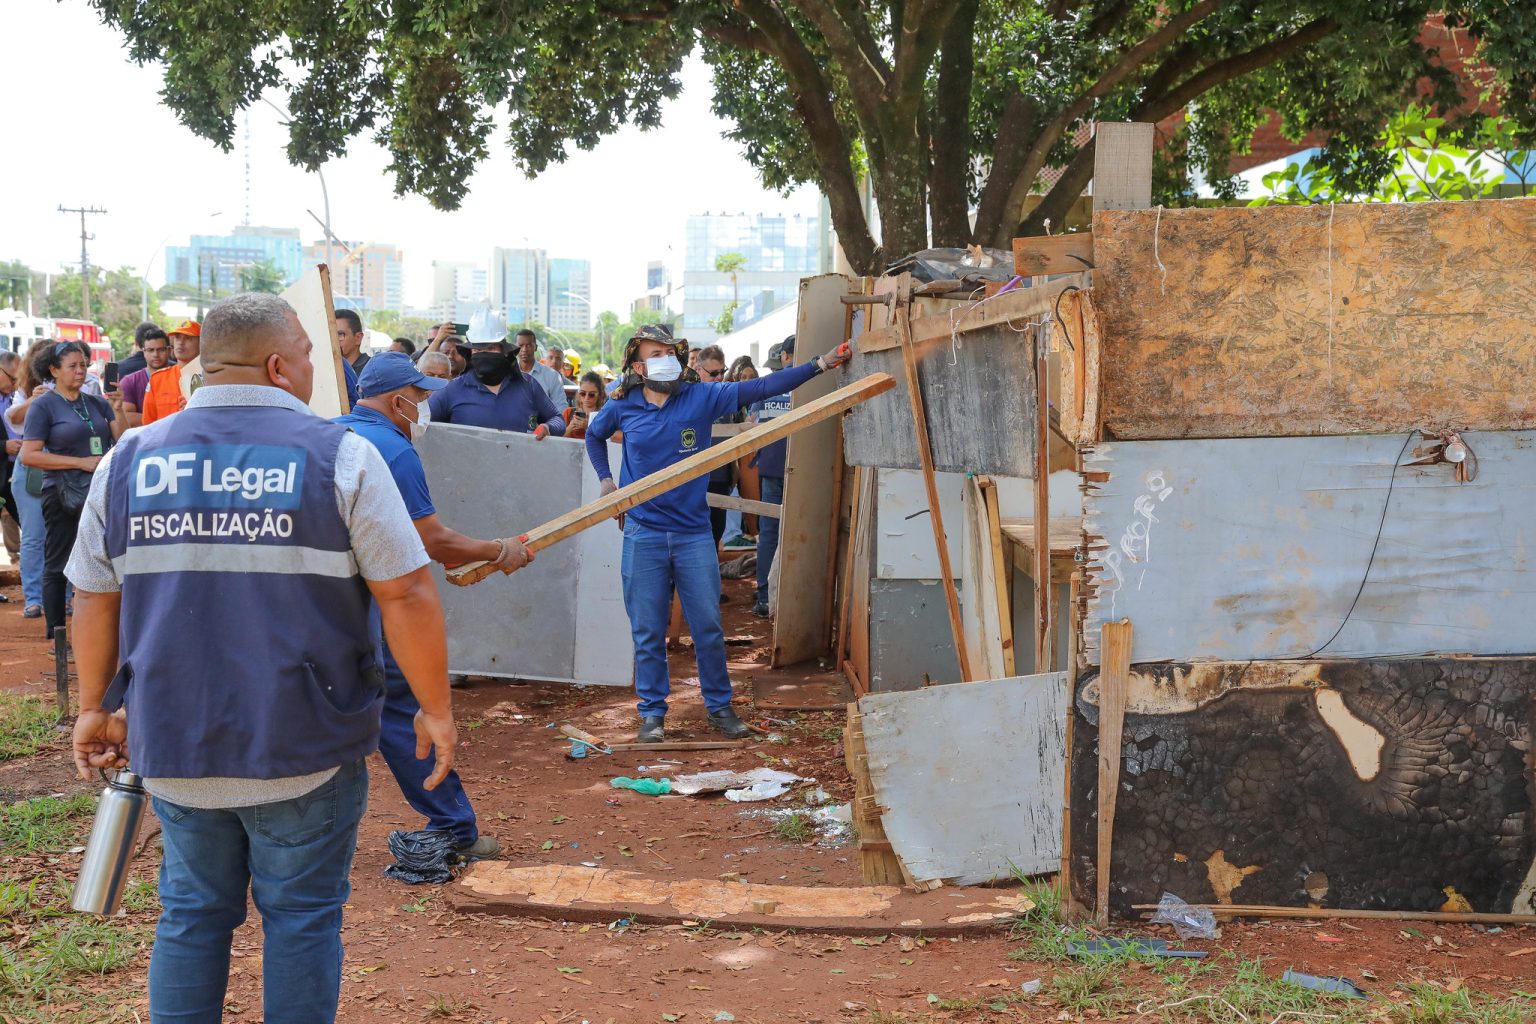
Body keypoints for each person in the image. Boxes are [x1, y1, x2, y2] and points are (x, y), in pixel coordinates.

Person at [66, 292, 455, 1024]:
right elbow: (406, 594)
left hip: (174, 742)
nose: (318, 365)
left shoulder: (130, 460)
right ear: (280, 365)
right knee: (303, 919)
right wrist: (436, 710)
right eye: (310, 352)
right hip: (303, 742)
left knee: (190, 916)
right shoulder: (341, 455)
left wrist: (95, 705)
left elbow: (93, 595)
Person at [584, 324, 851, 743]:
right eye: (656, 353)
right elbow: (593, 435)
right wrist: (605, 480)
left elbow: (762, 388)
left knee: (707, 626)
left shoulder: (701, 397)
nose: (666, 359)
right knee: (648, 631)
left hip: (692, 535)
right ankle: (652, 715)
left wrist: (820, 364)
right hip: (644, 534)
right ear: (638, 364)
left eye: (670, 352)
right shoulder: (623, 406)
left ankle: (719, 708)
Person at [335, 352, 531, 857]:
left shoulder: (333, 433)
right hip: (371, 599)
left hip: (318, 603)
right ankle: (454, 826)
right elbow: (433, 541)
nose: (422, 407)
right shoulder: (392, 451)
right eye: (418, 397)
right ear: (394, 399)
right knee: (402, 708)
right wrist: (498, 550)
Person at [21, 341, 124, 640]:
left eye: (83, 365)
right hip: (61, 494)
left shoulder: (96, 402)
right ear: (53, 370)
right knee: (57, 562)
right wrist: (80, 463)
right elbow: (29, 455)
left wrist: (117, 408)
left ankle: (101, 631)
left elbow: (124, 439)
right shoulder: (43, 405)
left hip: (99, 492)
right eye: (72, 366)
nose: (80, 371)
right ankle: (57, 635)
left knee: (106, 557)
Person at [430, 307, 564, 437]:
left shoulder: (528, 385)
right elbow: (420, 422)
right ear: (470, 352)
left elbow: (557, 420)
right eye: (477, 350)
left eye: (490, 348)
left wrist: (547, 427)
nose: (484, 354)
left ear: (504, 351)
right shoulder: (452, 390)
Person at [747, 335, 801, 618]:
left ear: (784, 357)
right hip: (804, 472)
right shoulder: (808, 385)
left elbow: (751, 426)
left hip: (770, 471)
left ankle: (766, 596)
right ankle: (793, 597)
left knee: (769, 534)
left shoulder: (766, 389)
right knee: (800, 531)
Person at [7, 342, 54, 617]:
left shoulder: (83, 384)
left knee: (67, 536)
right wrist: (35, 399)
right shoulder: (26, 390)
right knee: (34, 537)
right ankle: (34, 598)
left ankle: (68, 596)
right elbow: (12, 419)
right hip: (32, 466)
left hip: (66, 465)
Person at [141, 319, 201, 424]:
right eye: (177, 338)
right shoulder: (158, 379)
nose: (180, 343)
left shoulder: (210, 378)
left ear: (201, 343)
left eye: (188, 338)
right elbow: (147, 425)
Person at [118, 326, 172, 428]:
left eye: (161, 350)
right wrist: (167, 421)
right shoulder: (130, 381)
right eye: (150, 350)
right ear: (144, 352)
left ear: (169, 350)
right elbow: (127, 417)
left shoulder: (180, 376)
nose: (156, 354)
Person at [0, 352, 22, 567]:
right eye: (12, 378)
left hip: (11, 472)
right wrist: (4, 446)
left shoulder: (10, 398)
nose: (16, 385)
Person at [517, 328, 566, 406]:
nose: (524, 349)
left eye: (528, 345)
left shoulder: (552, 376)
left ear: (535, 347)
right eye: (521, 345)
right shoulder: (507, 374)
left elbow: (560, 406)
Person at [563, 370, 608, 440]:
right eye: (583, 393)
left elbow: (607, 441)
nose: (586, 398)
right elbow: (558, 440)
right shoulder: (568, 413)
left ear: (600, 394)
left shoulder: (604, 415)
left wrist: (587, 427)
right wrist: (570, 428)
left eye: (592, 395)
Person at [335, 308, 370, 373]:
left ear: (358, 338)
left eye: (340, 334)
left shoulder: (371, 370)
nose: (334, 340)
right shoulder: (329, 369)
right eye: (331, 335)